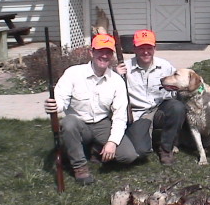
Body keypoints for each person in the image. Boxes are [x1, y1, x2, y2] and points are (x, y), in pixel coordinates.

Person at [44, 34, 139, 185]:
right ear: (91, 52)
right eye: (100, 51)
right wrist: (54, 106)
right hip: (79, 124)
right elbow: (60, 100)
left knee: (128, 156)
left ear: (112, 55)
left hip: (102, 124)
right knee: (68, 123)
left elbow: (120, 116)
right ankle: (80, 167)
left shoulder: (116, 81)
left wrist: (112, 142)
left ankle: (94, 149)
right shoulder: (73, 73)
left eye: (108, 52)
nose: (104, 55)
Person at [115, 29, 186, 166]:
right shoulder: (124, 68)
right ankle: (145, 138)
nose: (146, 52)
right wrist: (115, 75)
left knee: (177, 108)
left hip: (160, 109)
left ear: (155, 48)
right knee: (140, 152)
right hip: (139, 114)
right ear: (134, 48)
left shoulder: (165, 66)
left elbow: (181, 86)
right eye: (141, 48)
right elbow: (109, 89)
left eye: (149, 48)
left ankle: (166, 149)